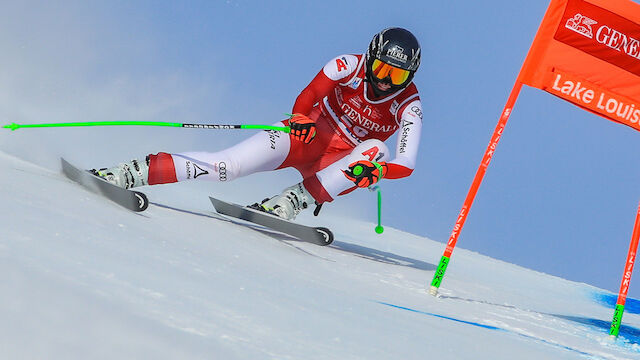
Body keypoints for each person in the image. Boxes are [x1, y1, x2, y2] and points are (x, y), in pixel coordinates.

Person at [93, 27, 424, 221]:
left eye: (398, 75)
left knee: (377, 149)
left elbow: (406, 163)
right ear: (370, 58)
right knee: (227, 166)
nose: (386, 81)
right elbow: (309, 94)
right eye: (382, 70)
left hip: (339, 163)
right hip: (309, 137)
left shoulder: (409, 105)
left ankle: (292, 202)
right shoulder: (348, 66)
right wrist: (300, 118)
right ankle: (132, 171)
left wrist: (377, 172)